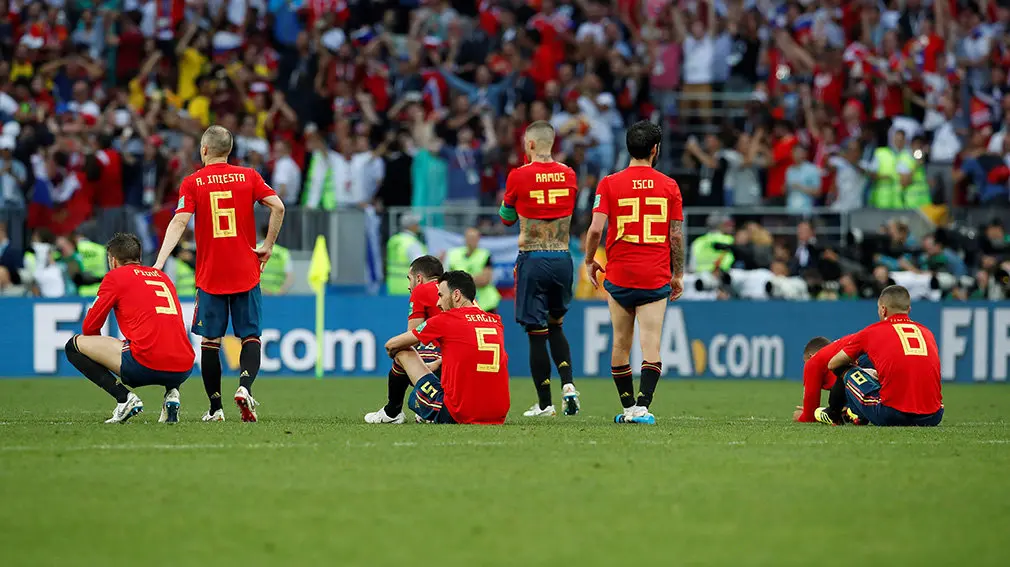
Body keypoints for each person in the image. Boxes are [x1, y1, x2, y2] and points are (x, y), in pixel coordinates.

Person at [153, 125, 286, 423]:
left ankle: (216, 408)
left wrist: (159, 262)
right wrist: (267, 246)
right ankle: (244, 387)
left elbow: (179, 222)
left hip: (211, 274)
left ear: (204, 150)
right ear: (229, 150)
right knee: (250, 336)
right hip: (246, 271)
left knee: (210, 342)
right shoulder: (249, 176)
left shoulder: (193, 182)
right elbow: (278, 207)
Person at [585, 120, 685, 424]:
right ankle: (643, 406)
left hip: (620, 275)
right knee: (650, 343)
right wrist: (678, 274)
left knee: (620, 343)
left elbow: (595, 229)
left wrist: (589, 260)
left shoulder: (609, 183)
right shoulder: (669, 186)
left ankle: (628, 408)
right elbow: (676, 236)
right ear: (655, 149)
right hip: (654, 275)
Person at [66, 233, 195, 424]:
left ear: (112, 259)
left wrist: (102, 352)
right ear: (139, 257)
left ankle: (124, 398)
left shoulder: (115, 277)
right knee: (167, 338)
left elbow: (90, 327)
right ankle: (172, 394)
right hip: (184, 366)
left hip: (145, 364)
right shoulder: (163, 277)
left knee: (74, 346)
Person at [499, 120, 581, 417]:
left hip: (533, 257)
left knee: (537, 332)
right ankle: (568, 385)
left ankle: (545, 404)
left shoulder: (518, 176)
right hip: (562, 258)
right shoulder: (569, 174)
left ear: (530, 144)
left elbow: (506, 217)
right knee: (556, 324)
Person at [383, 270, 510, 425]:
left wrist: (396, 355)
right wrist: (438, 362)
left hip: (458, 413)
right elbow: (473, 353)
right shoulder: (495, 321)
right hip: (498, 414)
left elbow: (391, 344)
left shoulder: (445, 320)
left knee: (402, 352)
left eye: (441, 295)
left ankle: (392, 412)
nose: (438, 303)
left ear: (456, 295)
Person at [818, 285, 943, 427]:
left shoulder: (871, 332)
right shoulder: (927, 332)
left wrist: (865, 372)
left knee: (844, 369)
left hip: (892, 414)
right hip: (933, 416)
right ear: (909, 310)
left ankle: (835, 413)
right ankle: (853, 412)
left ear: (883, 309)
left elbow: (833, 364)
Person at [365, 255, 445, 424]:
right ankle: (431, 407)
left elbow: (412, 338)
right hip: (470, 362)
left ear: (419, 278)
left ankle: (393, 411)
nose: (409, 286)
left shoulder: (421, 290)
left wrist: (393, 346)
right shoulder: (455, 289)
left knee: (403, 352)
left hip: (444, 360)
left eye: (409, 279)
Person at [446, 227, 500, 313]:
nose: (472, 241)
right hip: (462, 304)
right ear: (465, 239)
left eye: (474, 238)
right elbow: (449, 279)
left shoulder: (485, 254)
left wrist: (459, 280)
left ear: (478, 239)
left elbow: (484, 280)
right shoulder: (454, 254)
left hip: (486, 303)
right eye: (469, 238)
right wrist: (473, 278)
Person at [386, 212, 427, 296]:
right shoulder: (412, 243)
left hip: (393, 287)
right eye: (416, 224)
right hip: (409, 288)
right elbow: (422, 266)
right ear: (411, 226)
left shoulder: (393, 240)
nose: (418, 226)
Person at [258, 224, 293, 295]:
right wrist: (280, 293)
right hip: (277, 295)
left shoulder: (255, 249)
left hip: (259, 294)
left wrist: (262, 290)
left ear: (260, 234)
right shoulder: (283, 252)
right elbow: (290, 277)